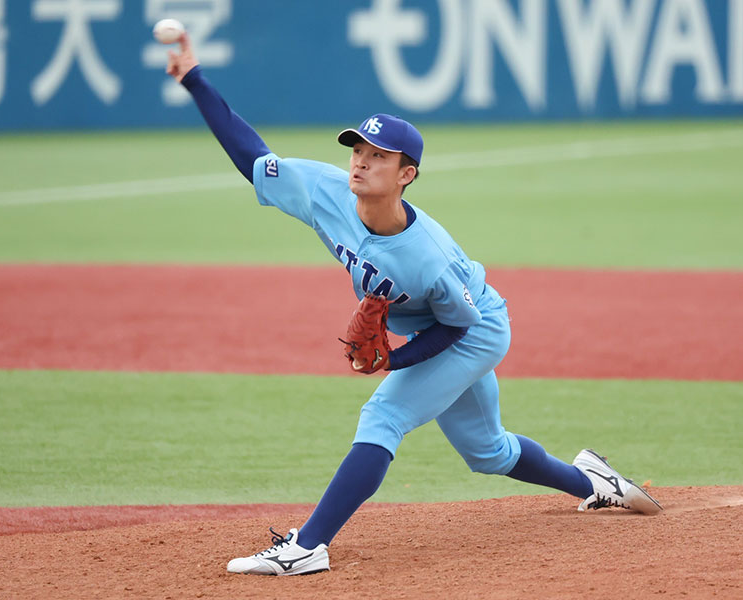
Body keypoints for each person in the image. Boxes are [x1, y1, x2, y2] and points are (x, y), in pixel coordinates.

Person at [166, 34, 662, 577]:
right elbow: (251, 155)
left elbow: (460, 325)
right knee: (488, 453)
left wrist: (393, 361)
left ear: (407, 175)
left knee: (384, 413)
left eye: (379, 156)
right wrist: (195, 79)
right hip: (441, 327)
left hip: (473, 329)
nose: (360, 162)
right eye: (357, 150)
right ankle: (594, 481)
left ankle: (307, 546)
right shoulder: (326, 192)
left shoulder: (429, 257)